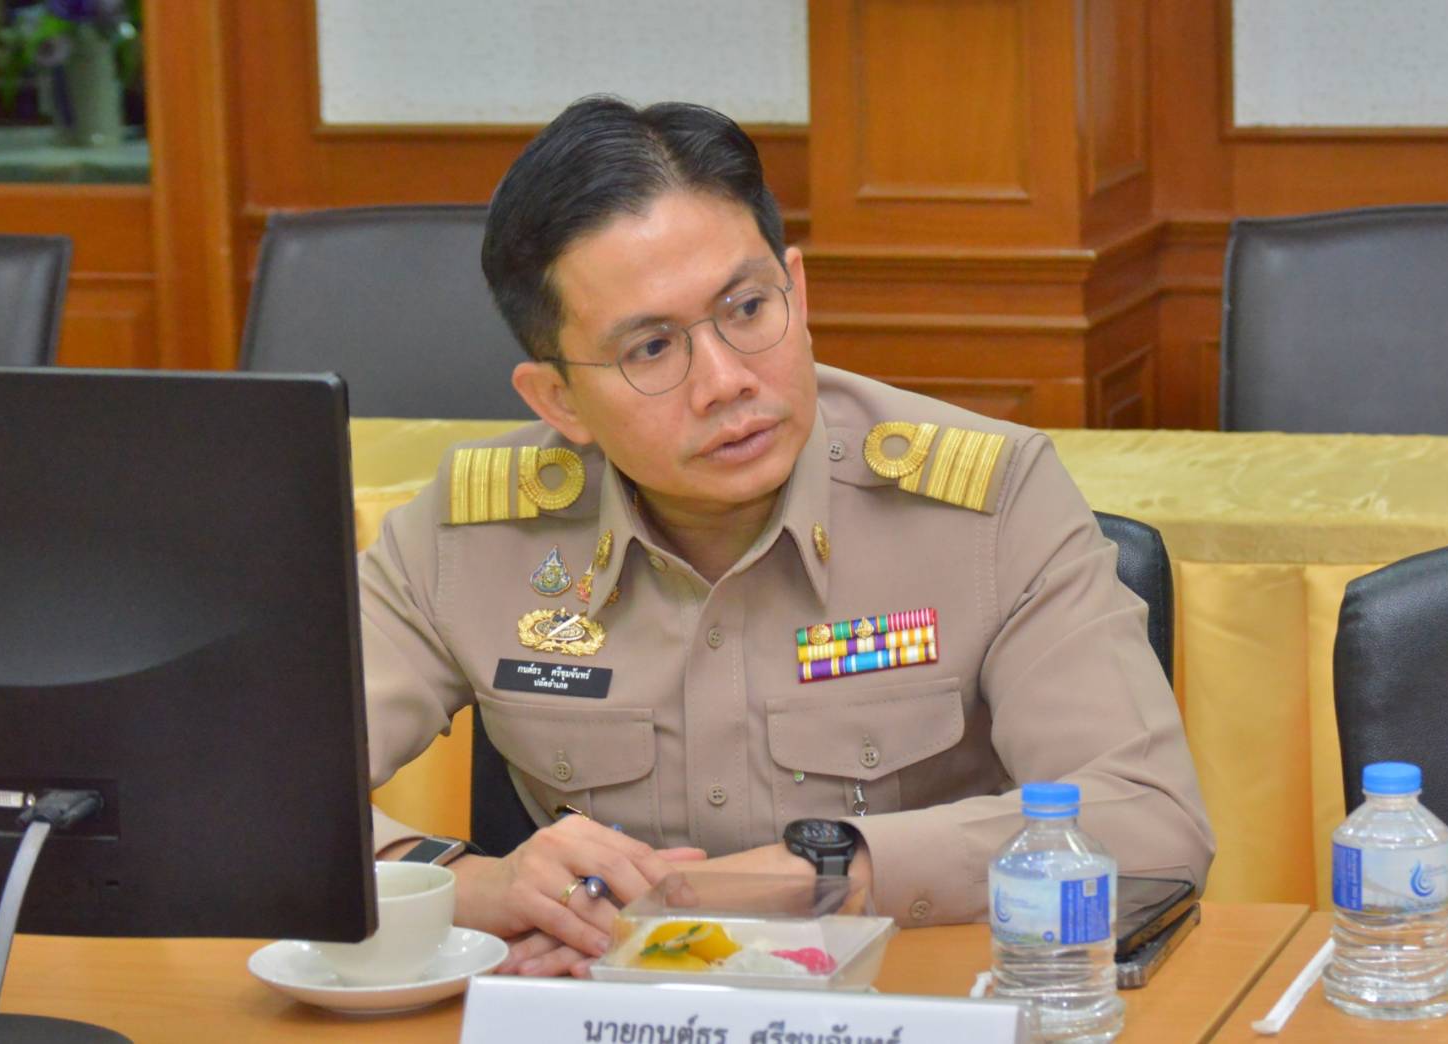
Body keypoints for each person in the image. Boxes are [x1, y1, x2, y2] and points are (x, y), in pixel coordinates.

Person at [360, 96, 1214, 977]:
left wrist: (821, 875)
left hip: (912, 1006)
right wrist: (475, 887)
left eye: (746, 309)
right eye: (651, 350)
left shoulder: (987, 506)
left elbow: (1150, 824)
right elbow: (273, 802)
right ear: (558, 401)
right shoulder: (474, 537)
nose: (726, 381)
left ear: (796, 293)